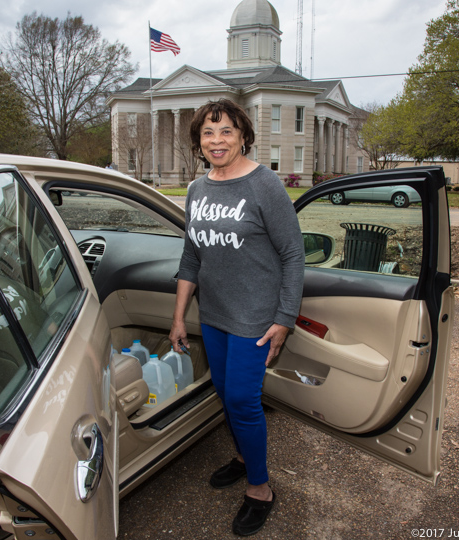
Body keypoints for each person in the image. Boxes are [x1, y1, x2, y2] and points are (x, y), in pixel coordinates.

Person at [169, 99, 304, 536]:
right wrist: (178, 319)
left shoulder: (265, 185)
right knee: (227, 396)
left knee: (244, 402)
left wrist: (284, 318)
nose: (217, 140)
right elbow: (191, 257)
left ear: (243, 134)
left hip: (256, 319)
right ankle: (245, 456)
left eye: (226, 131)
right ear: (199, 142)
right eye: (208, 133)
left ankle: (261, 489)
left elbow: (292, 254)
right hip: (214, 316)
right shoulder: (196, 190)